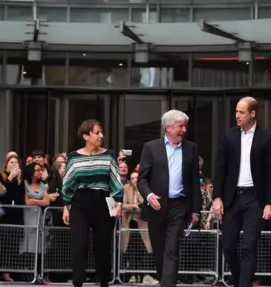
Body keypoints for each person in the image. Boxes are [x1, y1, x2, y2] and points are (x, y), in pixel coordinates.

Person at [211, 97, 271, 287]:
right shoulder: (229, 136)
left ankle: (243, 284)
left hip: (254, 199)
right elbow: (220, 169)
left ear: (253, 113)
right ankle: (242, 278)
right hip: (232, 198)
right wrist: (217, 197)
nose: (237, 115)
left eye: (241, 112)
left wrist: (269, 202)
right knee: (228, 245)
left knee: (249, 245)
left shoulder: (267, 138)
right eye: (236, 111)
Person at [137, 110, 201, 287]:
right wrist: (149, 195)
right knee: (159, 251)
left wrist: (196, 209)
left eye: (185, 126)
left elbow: (194, 181)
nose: (184, 130)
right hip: (156, 206)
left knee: (172, 249)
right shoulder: (151, 147)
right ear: (168, 128)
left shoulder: (191, 148)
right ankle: (164, 280)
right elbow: (142, 179)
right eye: (180, 126)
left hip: (179, 205)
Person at [61, 119, 123, 287]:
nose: (101, 136)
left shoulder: (109, 154)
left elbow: (116, 181)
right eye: (97, 133)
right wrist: (66, 206)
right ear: (85, 136)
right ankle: (78, 283)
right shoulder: (74, 157)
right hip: (80, 203)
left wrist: (119, 203)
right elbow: (67, 183)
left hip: (103, 202)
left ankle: (104, 282)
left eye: (102, 132)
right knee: (79, 245)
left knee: (102, 246)